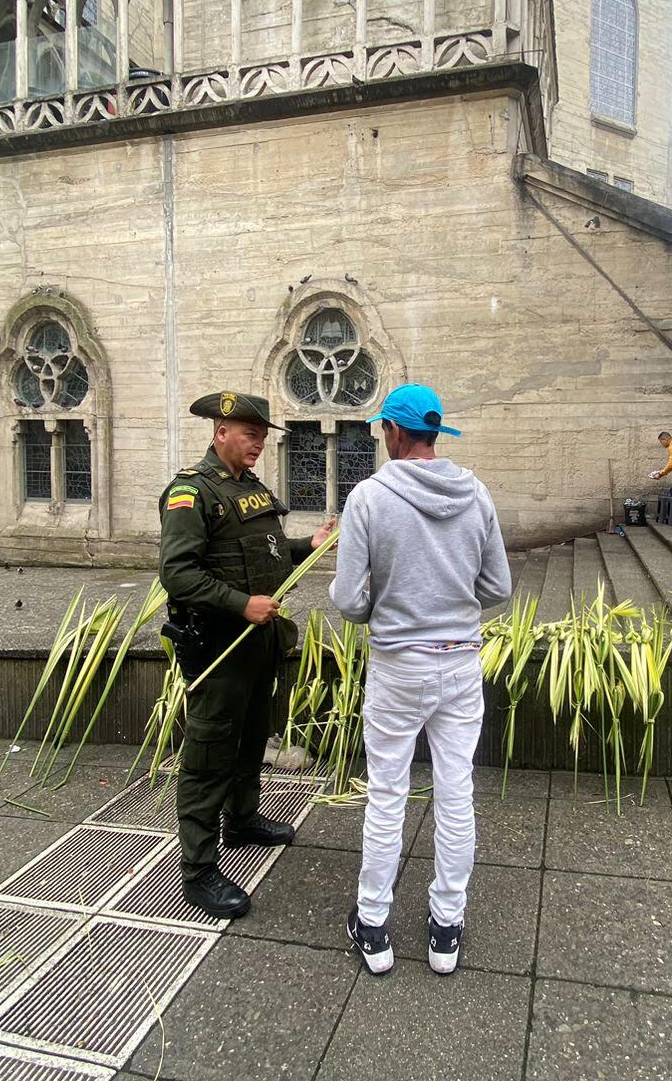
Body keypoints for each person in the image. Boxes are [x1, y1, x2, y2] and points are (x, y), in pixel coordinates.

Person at [330, 383, 510, 976]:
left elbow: (349, 602)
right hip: (459, 663)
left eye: (385, 429)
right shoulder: (475, 492)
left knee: (386, 794)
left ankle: (374, 928)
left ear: (395, 433)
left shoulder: (368, 499)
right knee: (457, 795)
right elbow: (498, 590)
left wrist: (391, 600)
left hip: (398, 668)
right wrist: (452, 597)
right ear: (434, 434)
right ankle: (445, 931)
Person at [159, 391, 333, 919]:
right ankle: (198, 871)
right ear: (221, 433)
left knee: (253, 734)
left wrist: (307, 544)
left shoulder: (251, 489)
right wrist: (240, 604)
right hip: (217, 646)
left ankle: (241, 821)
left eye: (262, 435)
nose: (259, 444)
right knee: (209, 754)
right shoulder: (191, 493)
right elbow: (179, 574)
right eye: (250, 434)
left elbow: (266, 554)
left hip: (258, 642)